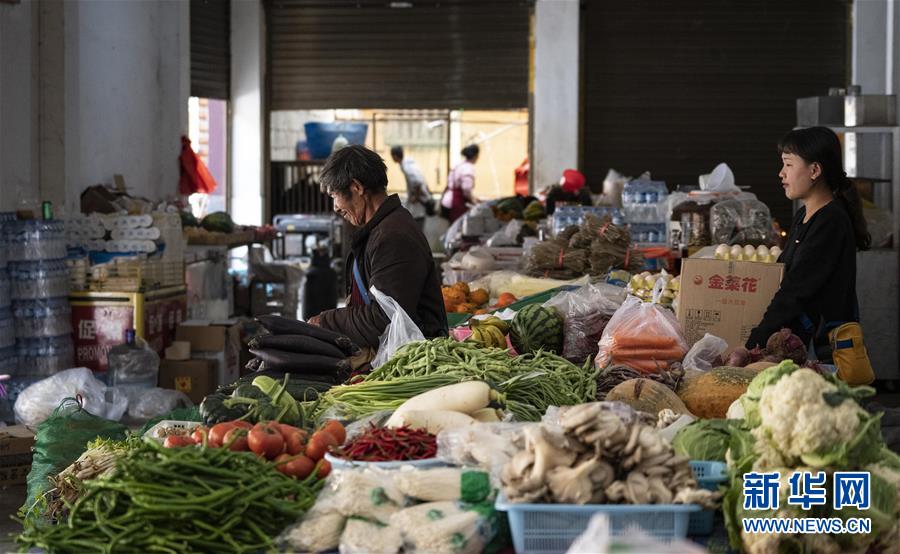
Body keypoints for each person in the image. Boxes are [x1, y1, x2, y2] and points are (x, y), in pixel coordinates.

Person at [308, 145, 447, 357]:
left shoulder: (393, 236)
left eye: (334, 195)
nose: (335, 207)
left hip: (415, 358)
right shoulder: (381, 228)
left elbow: (385, 317)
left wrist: (326, 321)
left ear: (356, 187)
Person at [746, 126, 870, 362]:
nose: (781, 173)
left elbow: (795, 291)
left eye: (788, 164)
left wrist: (753, 343)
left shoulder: (830, 222)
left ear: (814, 170)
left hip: (821, 354)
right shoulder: (804, 215)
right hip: (798, 345)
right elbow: (784, 276)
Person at [390, 145, 433, 230]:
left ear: (395, 156)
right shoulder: (408, 163)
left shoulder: (407, 166)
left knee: (417, 224)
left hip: (419, 201)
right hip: (420, 199)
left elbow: (417, 182)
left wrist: (415, 197)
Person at [441, 144, 480, 223]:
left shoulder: (459, 165)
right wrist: (473, 201)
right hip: (457, 202)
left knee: (452, 227)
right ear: (475, 156)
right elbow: (466, 189)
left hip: (448, 200)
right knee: (457, 227)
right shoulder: (468, 168)